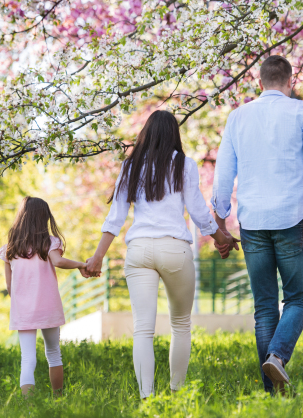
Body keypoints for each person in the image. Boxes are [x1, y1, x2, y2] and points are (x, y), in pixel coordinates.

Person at [212, 55, 303, 394]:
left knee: (264, 307)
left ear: (259, 82)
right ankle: (277, 357)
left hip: (253, 221)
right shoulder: (302, 112)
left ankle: (272, 392)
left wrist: (220, 223)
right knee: (297, 300)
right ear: (290, 82)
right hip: (292, 218)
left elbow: (223, 176)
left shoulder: (237, 118)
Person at [85, 110, 238, 399]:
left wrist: (97, 256)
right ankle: (176, 393)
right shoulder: (185, 165)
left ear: (146, 134)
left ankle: (146, 397)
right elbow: (198, 213)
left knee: (143, 329)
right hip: (174, 249)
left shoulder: (130, 167)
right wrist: (223, 238)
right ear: (173, 135)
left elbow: (115, 217)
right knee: (180, 324)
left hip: (139, 249)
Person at [0, 197, 88, 396]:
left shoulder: (10, 249)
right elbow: (59, 262)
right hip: (48, 306)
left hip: (23, 310)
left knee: (27, 358)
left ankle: (29, 408)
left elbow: (9, 285)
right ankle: (58, 398)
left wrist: (22, 301)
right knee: (54, 353)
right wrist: (81, 265)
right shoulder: (49, 243)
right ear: (44, 218)